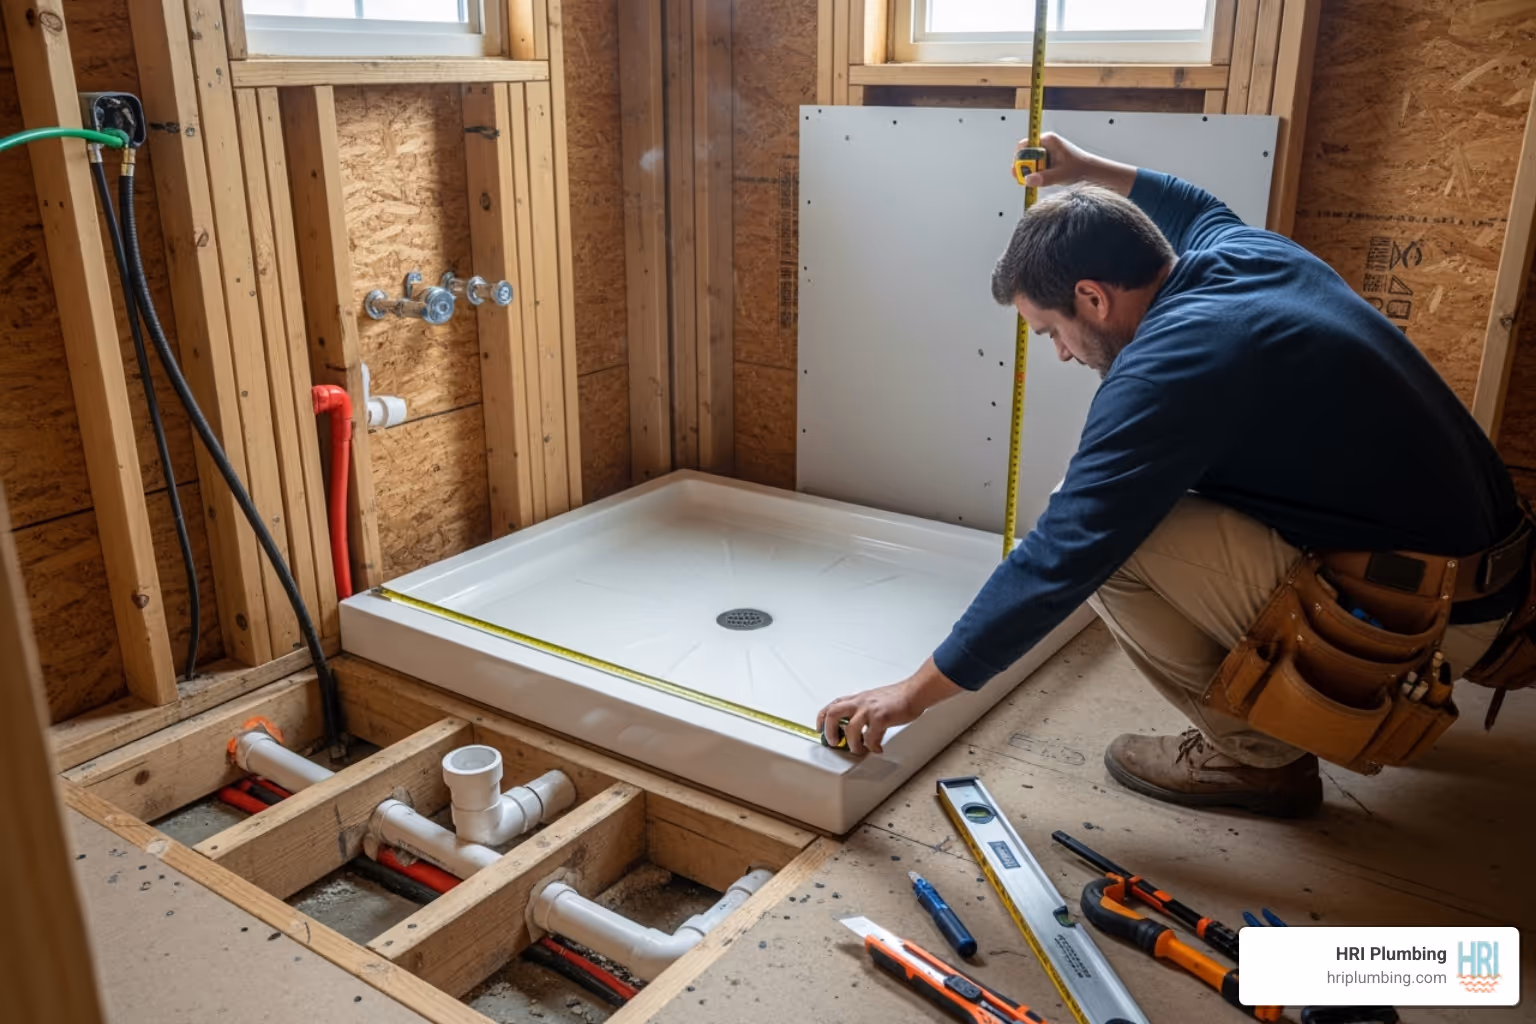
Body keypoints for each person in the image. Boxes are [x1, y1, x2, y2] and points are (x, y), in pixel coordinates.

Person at [816, 132, 1530, 818]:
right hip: (1494, 578)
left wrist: (911, 693)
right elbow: (1192, 204)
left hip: (1432, 618)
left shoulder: (1172, 366)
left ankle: (1259, 758)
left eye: (1051, 330)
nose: (1060, 353)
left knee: (1115, 542)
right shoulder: (1243, 253)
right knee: (1149, 501)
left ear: (1093, 297)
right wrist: (1085, 169)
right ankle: (1332, 700)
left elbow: (1062, 552)